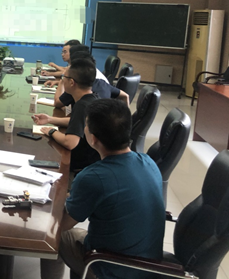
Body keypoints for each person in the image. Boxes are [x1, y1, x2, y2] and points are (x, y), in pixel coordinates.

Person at [43, 98, 165, 279]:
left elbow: (64, 223)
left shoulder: (93, 177)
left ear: (92, 139)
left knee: (52, 235)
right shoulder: (148, 162)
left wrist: (40, 206)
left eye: (86, 126)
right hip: (149, 265)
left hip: (111, 267)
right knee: (75, 235)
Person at [32, 58, 100, 172]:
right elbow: (79, 121)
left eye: (64, 77)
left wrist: (51, 131)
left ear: (72, 82)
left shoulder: (81, 105)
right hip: (93, 159)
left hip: (82, 163)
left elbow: (70, 143)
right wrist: (50, 119)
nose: (62, 80)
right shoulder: (93, 98)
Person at [53, 50, 129, 109]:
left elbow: (57, 103)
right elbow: (125, 96)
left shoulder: (78, 89)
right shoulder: (101, 83)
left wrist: (62, 81)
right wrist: (125, 118)